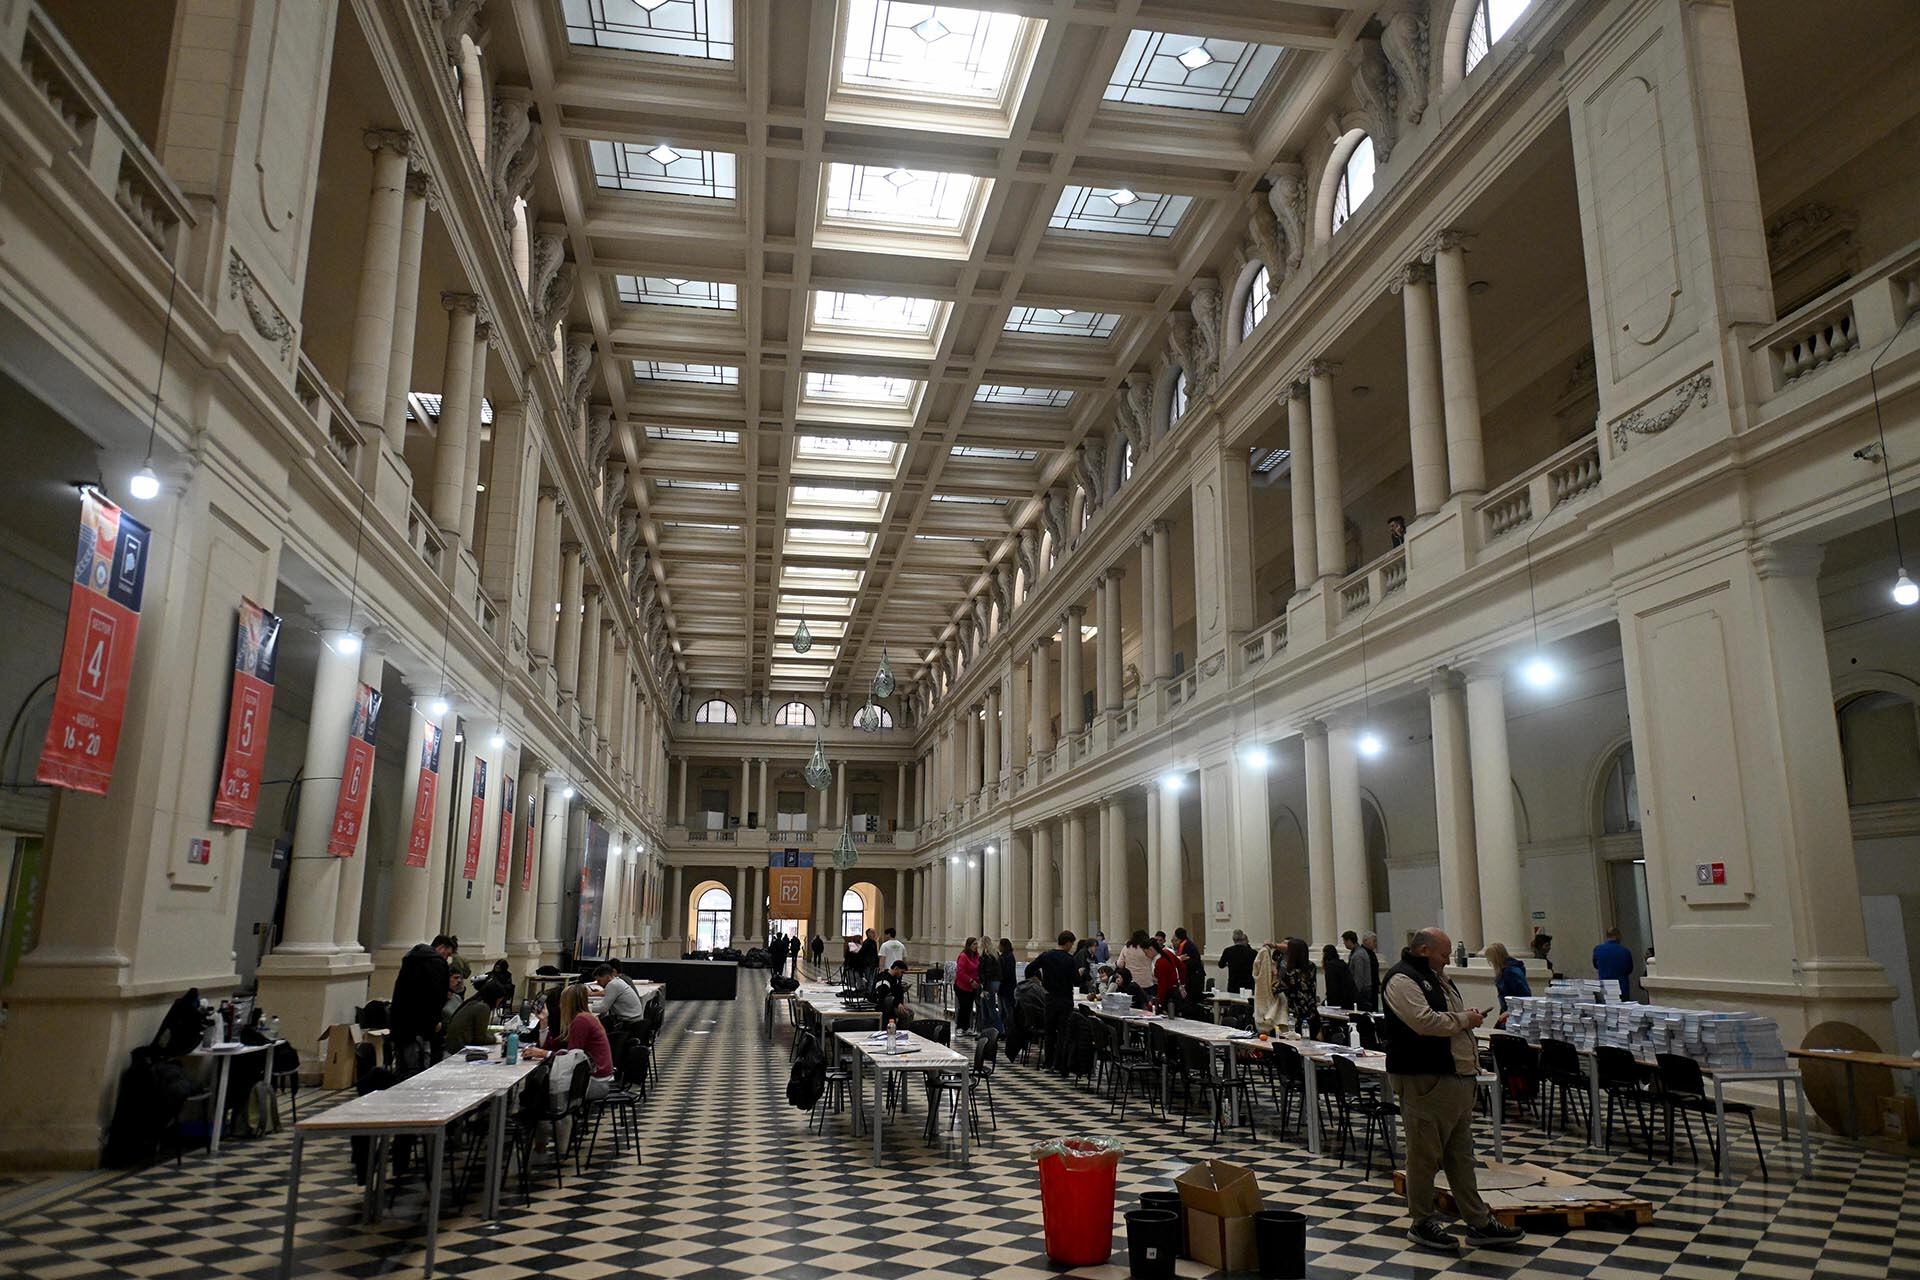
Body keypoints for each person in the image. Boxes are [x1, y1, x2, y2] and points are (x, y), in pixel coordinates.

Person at [1383, 928, 1524, 1253]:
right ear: (1423, 949)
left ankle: (1478, 1222)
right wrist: (1464, 1019)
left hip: (1456, 1077)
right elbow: (1424, 1022)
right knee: (1424, 1155)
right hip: (1425, 1078)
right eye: (1443, 954)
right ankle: (1422, 1221)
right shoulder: (1402, 979)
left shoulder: (1438, 977)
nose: (1448, 960)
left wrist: (1464, 1022)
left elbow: (1444, 1017)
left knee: (1461, 1156)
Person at [525, 983, 615, 1100]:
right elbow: (552, 1045)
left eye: (562, 1002)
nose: (559, 1005)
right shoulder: (582, 1018)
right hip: (594, 1074)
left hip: (594, 1079)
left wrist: (544, 1053)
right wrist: (544, 1022)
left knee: (542, 1076)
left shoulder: (582, 1020)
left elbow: (571, 1058)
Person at [390, 941, 451, 1071]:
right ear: (441, 947)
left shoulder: (409, 959)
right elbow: (437, 994)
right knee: (420, 1064)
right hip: (423, 1022)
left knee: (403, 1062)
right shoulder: (437, 964)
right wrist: (435, 1019)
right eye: (448, 953)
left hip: (401, 1019)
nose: (447, 957)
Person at [1029, 931, 1080, 1072]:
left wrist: (1038, 982)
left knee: (1049, 1032)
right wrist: (1079, 974)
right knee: (1063, 1033)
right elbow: (1076, 981)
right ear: (1068, 943)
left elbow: (1030, 969)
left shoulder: (1046, 956)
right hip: (1065, 999)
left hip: (1050, 998)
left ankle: (1048, 1062)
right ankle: (1060, 1064)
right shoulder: (1070, 960)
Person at [443, 978, 511, 1054]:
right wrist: (497, 1039)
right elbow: (480, 1039)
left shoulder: (473, 1002)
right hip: (459, 1050)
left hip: (452, 1047)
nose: (499, 1004)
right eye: (499, 1001)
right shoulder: (482, 1007)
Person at [1484, 942, 1531, 1020]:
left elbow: (1524, 995)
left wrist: (1509, 1012)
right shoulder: (1506, 971)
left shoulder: (1511, 972)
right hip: (1509, 1011)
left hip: (1514, 1013)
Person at [1279, 938, 1317, 1030]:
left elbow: (1277, 988)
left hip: (1295, 1014)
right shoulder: (1311, 967)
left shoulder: (1290, 973)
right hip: (1311, 1010)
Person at [1593, 928, 1634, 999]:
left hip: (1605, 986)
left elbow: (1596, 965)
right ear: (1618, 936)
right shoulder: (1625, 951)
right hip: (1621, 986)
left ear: (1607, 936)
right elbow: (1629, 969)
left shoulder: (1598, 949)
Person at [978, 935, 1006, 1034]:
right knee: (984, 1007)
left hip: (988, 983)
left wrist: (984, 988)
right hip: (996, 982)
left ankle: (1000, 1030)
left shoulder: (985, 956)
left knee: (991, 1008)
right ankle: (986, 1031)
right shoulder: (995, 954)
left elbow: (987, 972)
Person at [1347, 930, 1379, 1012]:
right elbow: (1359, 975)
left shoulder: (1368, 953)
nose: (1376, 944)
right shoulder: (1361, 954)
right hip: (1366, 989)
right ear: (1366, 941)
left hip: (1370, 988)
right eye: (1374, 941)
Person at [953, 938, 981, 1033]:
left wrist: (977, 981)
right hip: (962, 986)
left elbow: (978, 969)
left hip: (972, 987)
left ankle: (966, 1027)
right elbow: (960, 972)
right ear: (969, 945)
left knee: (969, 1007)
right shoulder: (963, 956)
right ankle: (960, 1027)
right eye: (974, 944)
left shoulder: (976, 956)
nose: (976, 946)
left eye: (976, 944)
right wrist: (970, 980)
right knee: (963, 1006)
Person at [1217, 929, 1257, 993]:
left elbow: (1221, 965)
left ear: (1233, 939)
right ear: (1242, 938)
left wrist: (1228, 964)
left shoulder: (1228, 951)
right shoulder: (1253, 952)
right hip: (1248, 984)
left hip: (1233, 984)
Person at [1151, 936, 1184, 1007]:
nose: (1145, 954)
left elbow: (1162, 984)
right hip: (1173, 988)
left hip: (1167, 992)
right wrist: (1182, 982)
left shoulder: (1160, 961)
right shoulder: (1167, 952)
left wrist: (1159, 1003)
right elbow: (1181, 966)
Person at [1323, 944, 1358, 1008]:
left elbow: (1331, 986)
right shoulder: (1342, 964)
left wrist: (1329, 1000)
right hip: (1349, 998)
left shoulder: (1330, 966)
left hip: (1337, 1000)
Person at [1173, 927, 1204, 993]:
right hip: (1195, 975)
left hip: (1194, 977)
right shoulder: (1188, 944)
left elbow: (1186, 962)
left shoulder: (1185, 946)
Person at [997, 938, 1018, 1028]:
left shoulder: (1008, 957)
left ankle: (1010, 1029)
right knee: (1002, 1010)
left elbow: (1006, 973)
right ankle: (1003, 1028)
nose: (998, 947)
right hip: (1003, 988)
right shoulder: (1005, 957)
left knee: (1007, 1010)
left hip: (1007, 988)